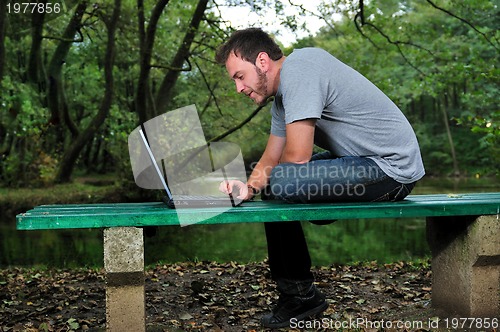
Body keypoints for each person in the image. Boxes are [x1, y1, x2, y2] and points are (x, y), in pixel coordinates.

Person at [215, 28, 425, 328]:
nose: (239, 88)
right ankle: (299, 296)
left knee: (280, 183)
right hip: (358, 162)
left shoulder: (300, 70)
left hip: (391, 168)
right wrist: (247, 188)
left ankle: (300, 297)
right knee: (274, 185)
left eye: (239, 76)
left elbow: (297, 157)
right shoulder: (282, 99)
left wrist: (283, 184)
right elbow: (272, 157)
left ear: (262, 61)